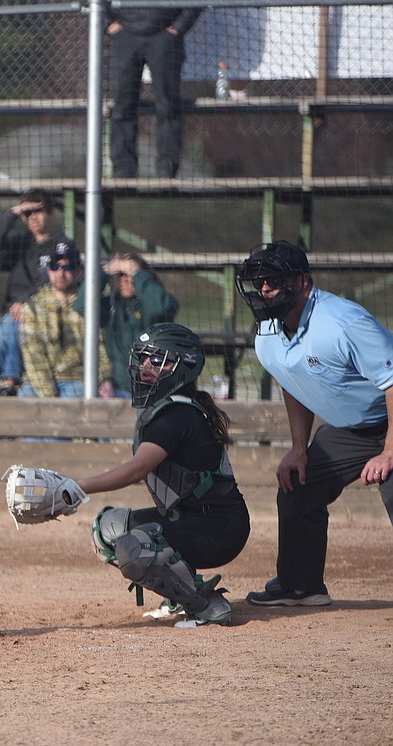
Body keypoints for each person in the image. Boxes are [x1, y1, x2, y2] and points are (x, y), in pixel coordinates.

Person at [234, 240, 393, 607]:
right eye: (259, 282)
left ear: (303, 281)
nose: (265, 290)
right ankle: (300, 585)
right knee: (298, 485)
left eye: (273, 280)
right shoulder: (268, 333)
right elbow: (293, 380)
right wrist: (298, 449)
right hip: (353, 428)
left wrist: (388, 451)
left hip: (388, 421)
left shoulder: (343, 322)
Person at [81, 323, 251, 626]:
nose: (147, 366)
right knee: (108, 529)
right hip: (187, 518)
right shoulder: (165, 409)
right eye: (145, 358)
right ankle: (179, 592)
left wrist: (76, 488)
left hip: (220, 529)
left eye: (159, 360)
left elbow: (138, 470)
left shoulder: (179, 415)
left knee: (136, 545)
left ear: (182, 368)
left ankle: (205, 605)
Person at [0, 189, 68, 396]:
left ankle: (4, 382)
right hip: (11, 311)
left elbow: (50, 281)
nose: (32, 217)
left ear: (50, 212)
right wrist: (12, 213)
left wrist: (25, 301)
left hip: (44, 310)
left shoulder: (62, 245)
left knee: (13, 325)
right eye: (27, 213)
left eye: (37, 211)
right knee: (2, 338)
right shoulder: (21, 241)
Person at [104, 3, 203, 178]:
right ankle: (123, 170)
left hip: (165, 37)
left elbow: (195, 5)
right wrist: (108, 24)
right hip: (124, 37)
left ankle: (167, 169)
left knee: (168, 105)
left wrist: (178, 28)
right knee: (123, 106)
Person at [17, 240, 116, 398]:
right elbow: (34, 357)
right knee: (24, 399)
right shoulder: (33, 306)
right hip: (38, 382)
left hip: (78, 380)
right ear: (48, 270)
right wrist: (49, 396)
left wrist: (105, 379)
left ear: (79, 271)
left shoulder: (88, 305)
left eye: (67, 267)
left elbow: (101, 348)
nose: (60, 273)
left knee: (77, 399)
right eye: (55, 267)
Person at [74, 251, 179, 397]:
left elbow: (161, 307)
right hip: (118, 388)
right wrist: (105, 271)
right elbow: (81, 305)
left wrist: (137, 272)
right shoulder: (112, 306)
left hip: (155, 387)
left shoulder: (157, 301)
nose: (124, 280)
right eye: (121, 275)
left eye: (129, 275)